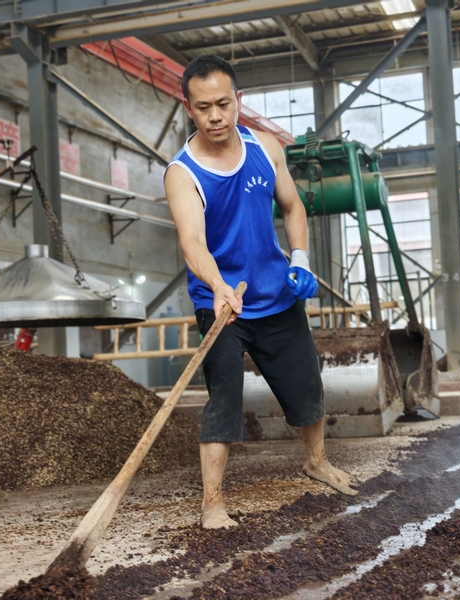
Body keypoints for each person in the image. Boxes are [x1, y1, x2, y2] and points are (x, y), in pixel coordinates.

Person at [164, 55, 359, 530]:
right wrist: (218, 287)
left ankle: (315, 462)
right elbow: (193, 243)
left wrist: (300, 260)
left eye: (224, 104)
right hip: (222, 306)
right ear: (189, 108)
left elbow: (292, 207)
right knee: (223, 401)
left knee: (306, 382)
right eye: (204, 106)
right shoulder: (182, 173)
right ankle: (212, 503)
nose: (216, 116)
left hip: (276, 295)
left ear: (238, 101)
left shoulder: (265, 146)